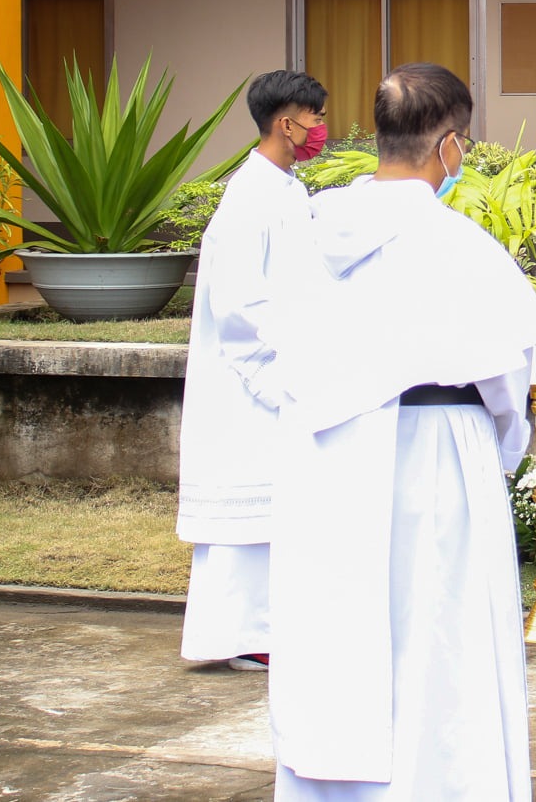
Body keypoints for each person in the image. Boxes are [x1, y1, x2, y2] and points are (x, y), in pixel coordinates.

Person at [256, 63, 536, 800]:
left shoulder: (307, 232)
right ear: (448, 144)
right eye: (464, 145)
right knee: (439, 643)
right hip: (437, 455)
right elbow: (508, 386)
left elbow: (270, 350)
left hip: (327, 457)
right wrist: (499, 453)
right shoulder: (459, 245)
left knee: (336, 638)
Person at [174, 68, 328, 671]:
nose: (321, 129)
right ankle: (243, 636)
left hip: (285, 369)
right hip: (251, 381)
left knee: (277, 514)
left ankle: (269, 630)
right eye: (314, 118)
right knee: (247, 517)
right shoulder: (249, 195)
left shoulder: (288, 187)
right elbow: (238, 303)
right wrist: (274, 376)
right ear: (285, 123)